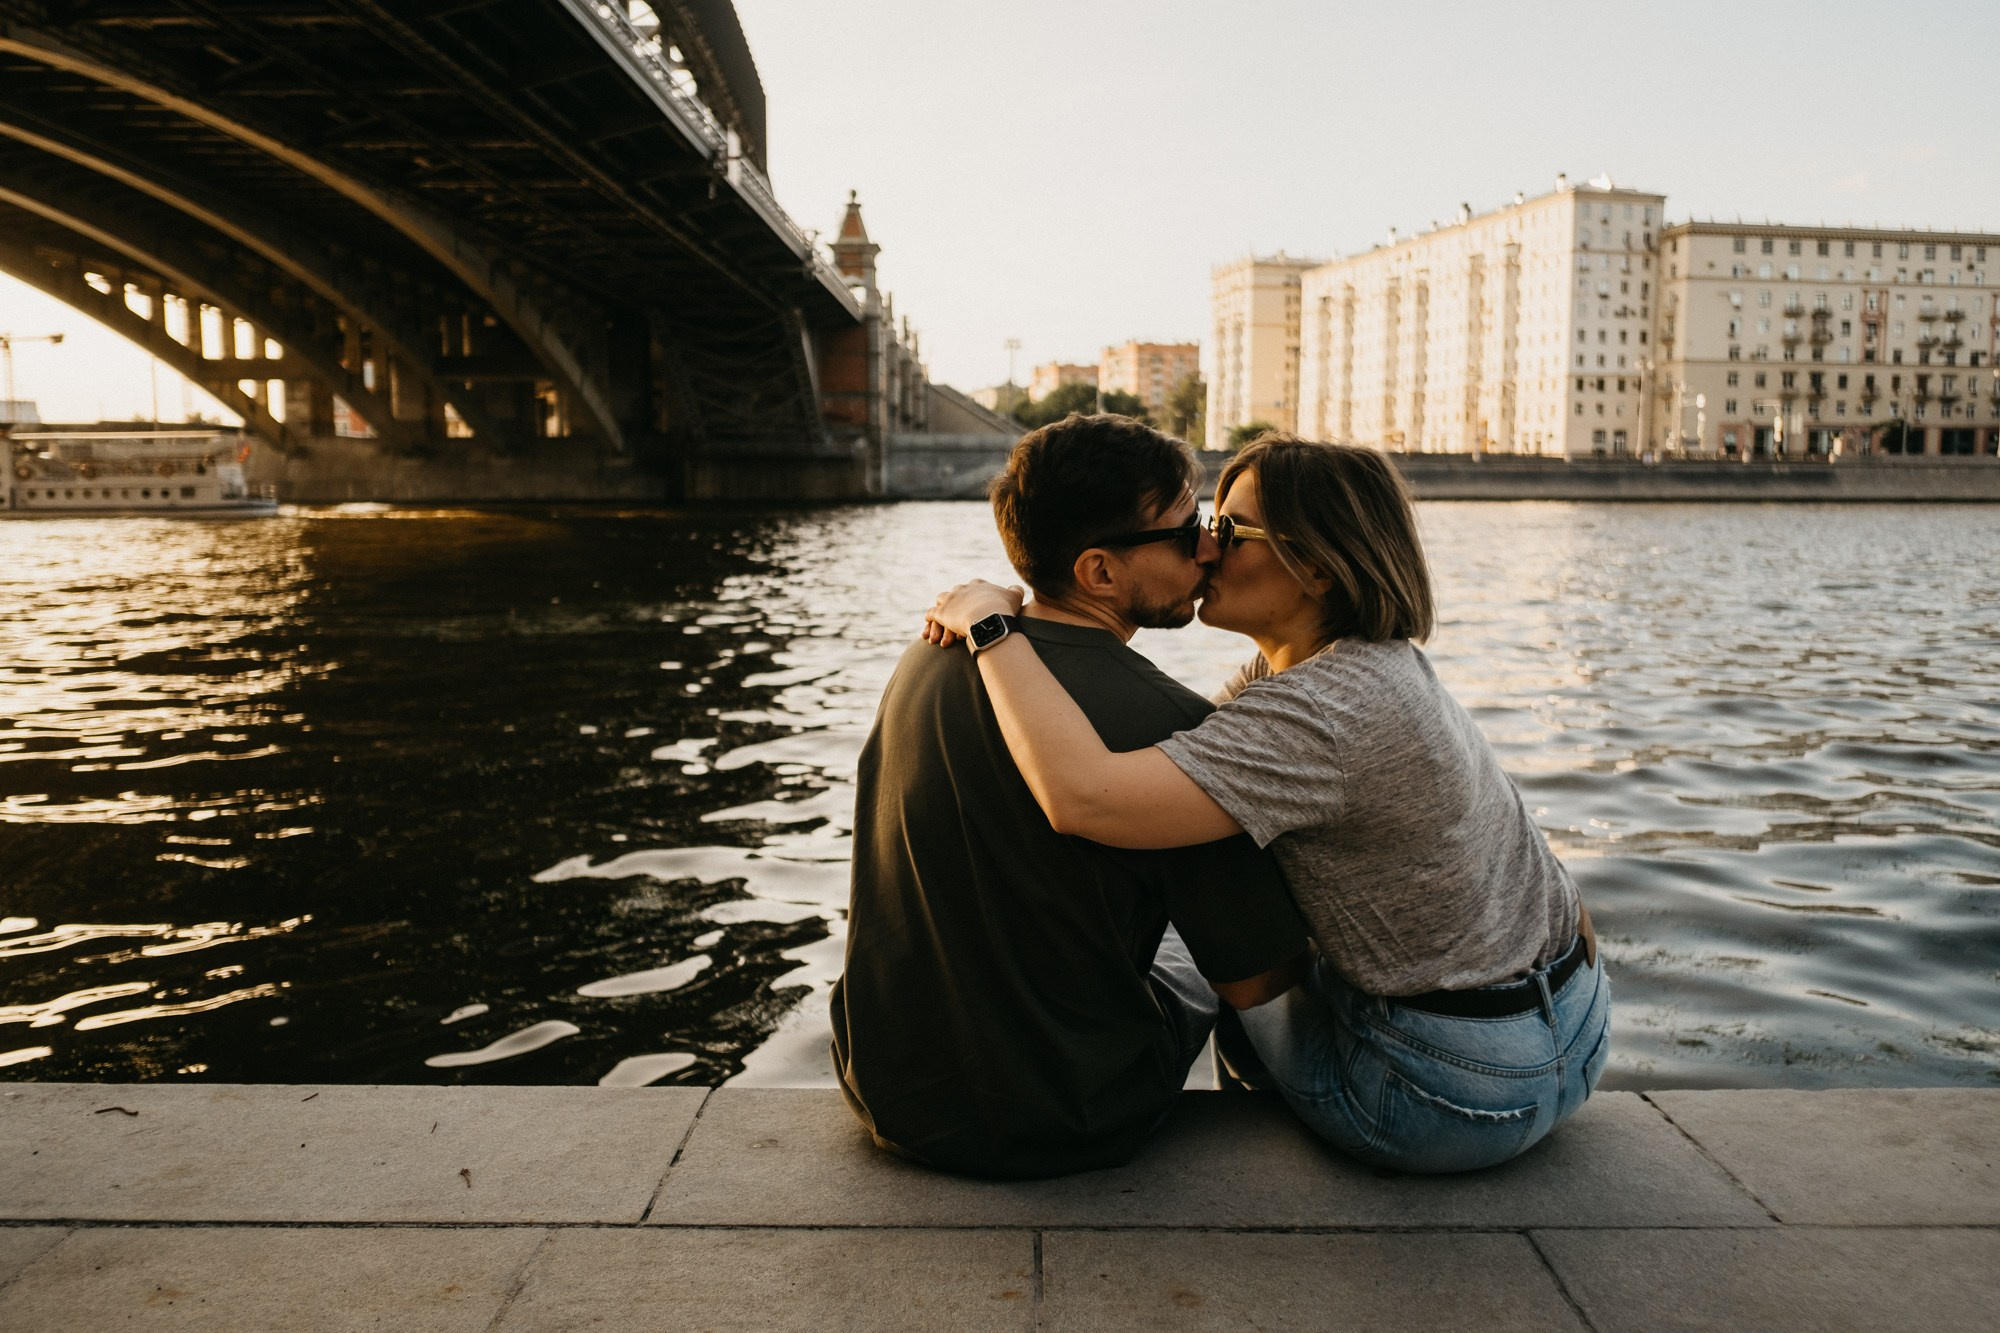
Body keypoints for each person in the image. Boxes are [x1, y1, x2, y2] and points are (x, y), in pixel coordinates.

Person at [923, 434, 1608, 1174]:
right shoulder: (1368, 662)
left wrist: (994, 628)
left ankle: (1253, 1122)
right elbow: (1180, 740)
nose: (1207, 551)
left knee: (1210, 936)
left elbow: (1083, 795)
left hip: (1445, 1092)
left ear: (1316, 565)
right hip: (1575, 1016)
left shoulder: (1316, 714)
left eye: (1228, 531)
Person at [829, 414, 1308, 1179]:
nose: (1212, 548)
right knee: (1232, 956)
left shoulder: (926, 655)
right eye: (1188, 532)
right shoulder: (1173, 723)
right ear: (1100, 573)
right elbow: (1259, 981)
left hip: (886, 1088)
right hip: (1064, 1115)